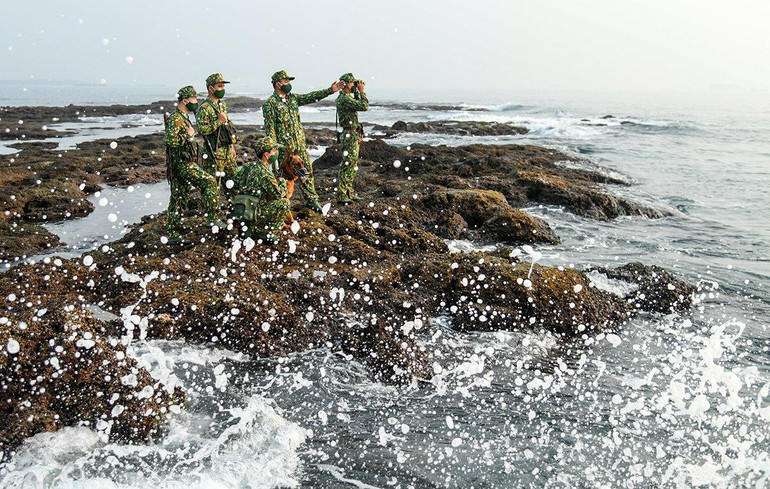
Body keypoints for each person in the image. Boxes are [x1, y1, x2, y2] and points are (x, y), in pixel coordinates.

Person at [262, 69, 345, 213]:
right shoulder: (270, 104)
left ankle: (311, 200)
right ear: (277, 84)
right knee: (282, 177)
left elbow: (311, 97)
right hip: (284, 149)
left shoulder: (292, 99)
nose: (288, 84)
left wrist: (331, 90)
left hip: (299, 146)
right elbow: (270, 129)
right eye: (286, 81)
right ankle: (279, 204)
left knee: (306, 172)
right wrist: (273, 148)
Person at [164, 85, 224, 244]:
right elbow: (171, 141)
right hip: (182, 164)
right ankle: (213, 218)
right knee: (210, 181)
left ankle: (172, 234)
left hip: (181, 164)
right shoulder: (176, 118)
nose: (196, 101)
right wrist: (188, 135)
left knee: (179, 198)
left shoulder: (182, 117)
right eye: (194, 99)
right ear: (185, 100)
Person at [232, 137, 290, 244]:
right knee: (284, 203)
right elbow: (278, 194)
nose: (276, 153)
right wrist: (282, 183)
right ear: (266, 155)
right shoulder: (265, 174)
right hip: (255, 213)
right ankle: (263, 232)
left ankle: (248, 228)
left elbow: (234, 183)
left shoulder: (247, 166)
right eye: (274, 150)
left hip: (241, 209)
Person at [196, 73, 238, 191]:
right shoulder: (204, 108)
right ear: (211, 88)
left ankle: (235, 207)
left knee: (235, 184)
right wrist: (218, 121)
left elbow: (227, 127)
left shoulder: (222, 104)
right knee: (213, 187)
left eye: (223, 86)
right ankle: (213, 209)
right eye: (220, 86)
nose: (222, 89)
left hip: (227, 152)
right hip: (214, 153)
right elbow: (202, 130)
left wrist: (231, 146)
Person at [335, 73, 369, 203]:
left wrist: (356, 91)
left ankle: (349, 192)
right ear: (346, 84)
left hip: (351, 134)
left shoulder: (345, 98)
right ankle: (342, 194)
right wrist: (362, 92)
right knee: (348, 164)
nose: (354, 85)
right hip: (350, 134)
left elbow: (357, 104)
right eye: (352, 83)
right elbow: (364, 106)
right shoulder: (344, 99)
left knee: (352, 164)